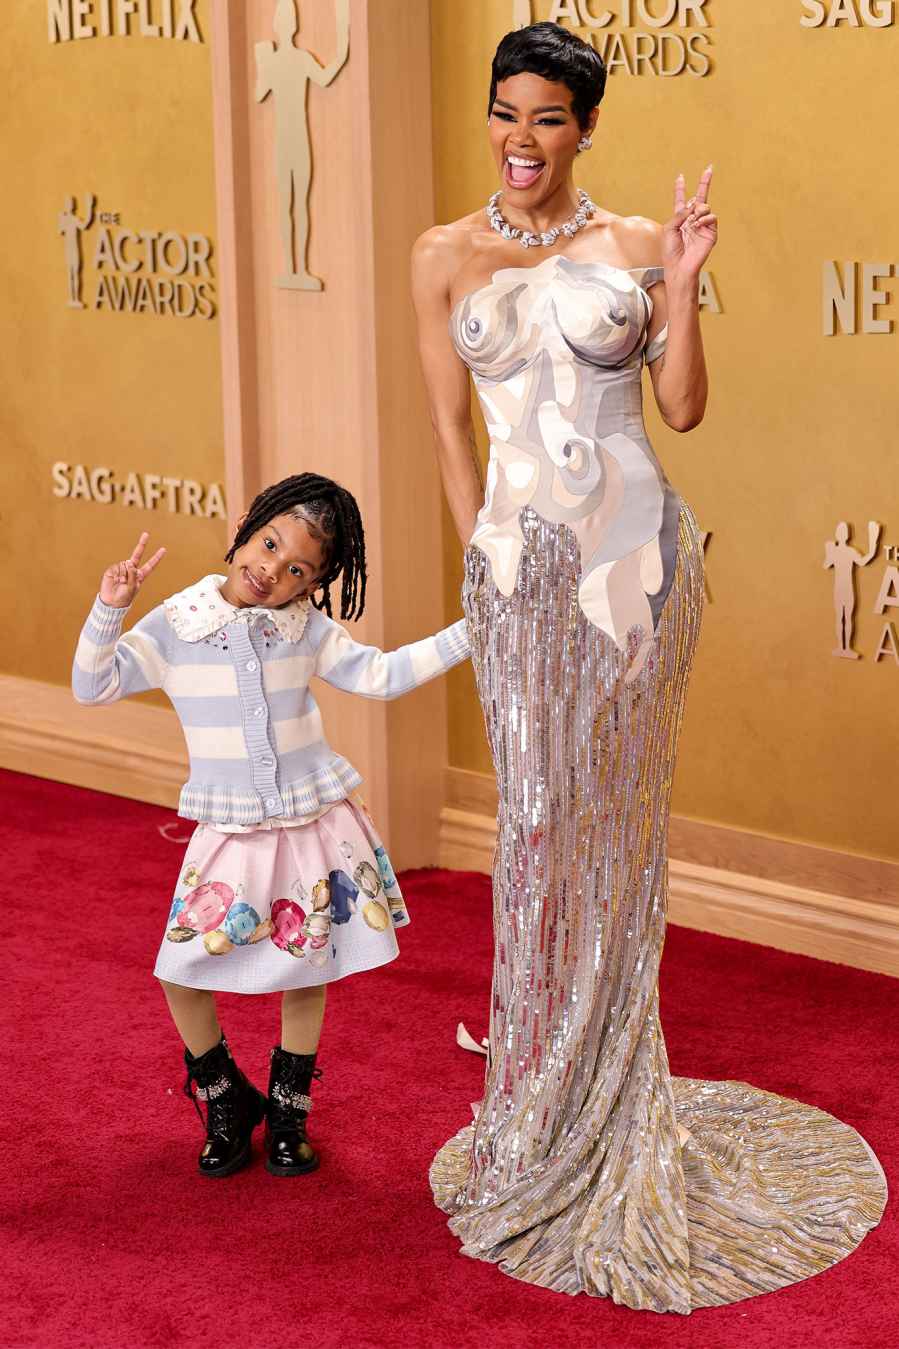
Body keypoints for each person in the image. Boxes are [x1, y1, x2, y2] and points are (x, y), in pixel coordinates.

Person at [412, 21, 885, 1313]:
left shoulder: (630, 245)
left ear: (584, 127)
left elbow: (679, 408)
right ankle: (544, 1095)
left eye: (546, 117)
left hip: (632, 568)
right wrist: (480, 562)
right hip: (518, 577)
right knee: (534, 823)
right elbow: (449, 427)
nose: (519, 138)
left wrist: (679, 281)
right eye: (505, 111)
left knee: (615, 833)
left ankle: (613, 1096)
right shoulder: (440, 255)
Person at [72, 473, 469, 1179]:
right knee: (180, 970)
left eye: (298, 571)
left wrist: (474, 631)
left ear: (312, 585)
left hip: (310, 822)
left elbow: (380, 675)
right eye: (269, 544)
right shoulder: (177, 623)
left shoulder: (305, 629)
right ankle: (226, 1098)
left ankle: (289, 1117)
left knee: (306, 965)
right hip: (230, 829)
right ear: (245, 528)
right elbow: (92, 685)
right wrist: (111, 607)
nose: (273, 570)